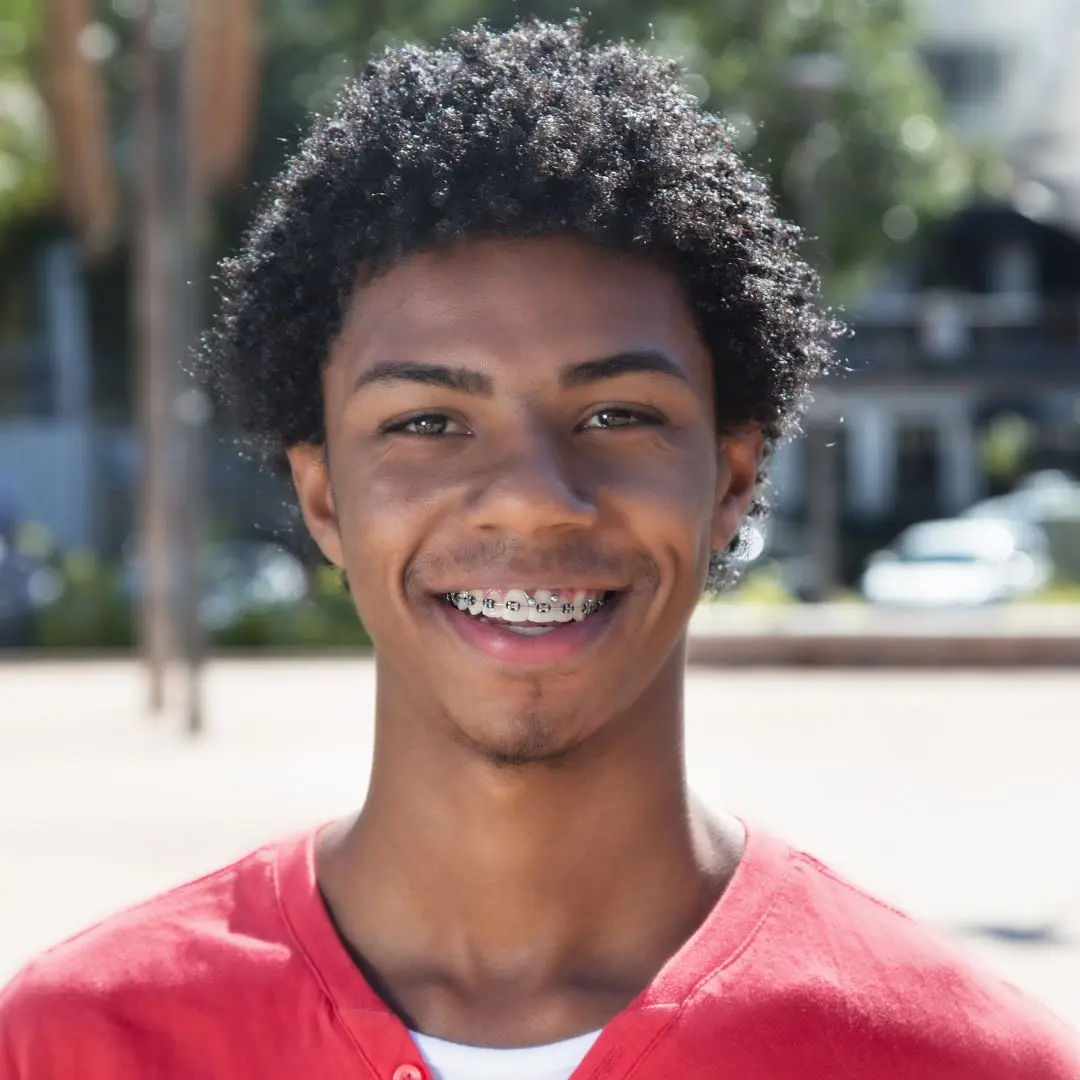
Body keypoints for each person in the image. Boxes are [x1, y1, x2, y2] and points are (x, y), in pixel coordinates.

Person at [1, 19, 1077, 1080]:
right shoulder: (74, 1044)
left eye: (616, 415)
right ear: (323, 494)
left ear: (731, 481)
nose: (530, 502)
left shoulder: (965, 1059)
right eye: (426, 422)